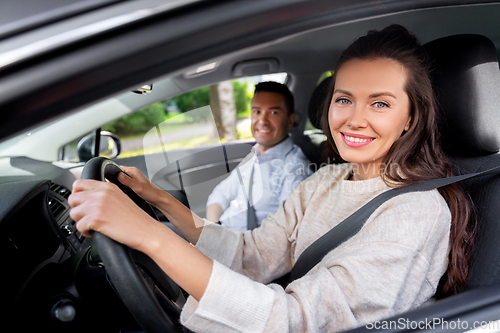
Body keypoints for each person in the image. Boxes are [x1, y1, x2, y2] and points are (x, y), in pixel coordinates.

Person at [69, 25, 474, 332]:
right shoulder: (327, 178)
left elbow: (296, 322)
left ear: (410, 119)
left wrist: (149, 236)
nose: (354, 118)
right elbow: (252, 255)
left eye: (380, 103)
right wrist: (159, 202)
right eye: (344, 99)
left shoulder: (416, 212)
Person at [205, 81, 312, 232]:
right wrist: (212, 229)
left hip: (242, 250)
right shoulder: (256, 154)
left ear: (290, 120)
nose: (262, 121)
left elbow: (284, 236)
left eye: (273, 112)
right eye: (257, 112)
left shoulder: (294, 169)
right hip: (219, 236)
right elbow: (221, 194)